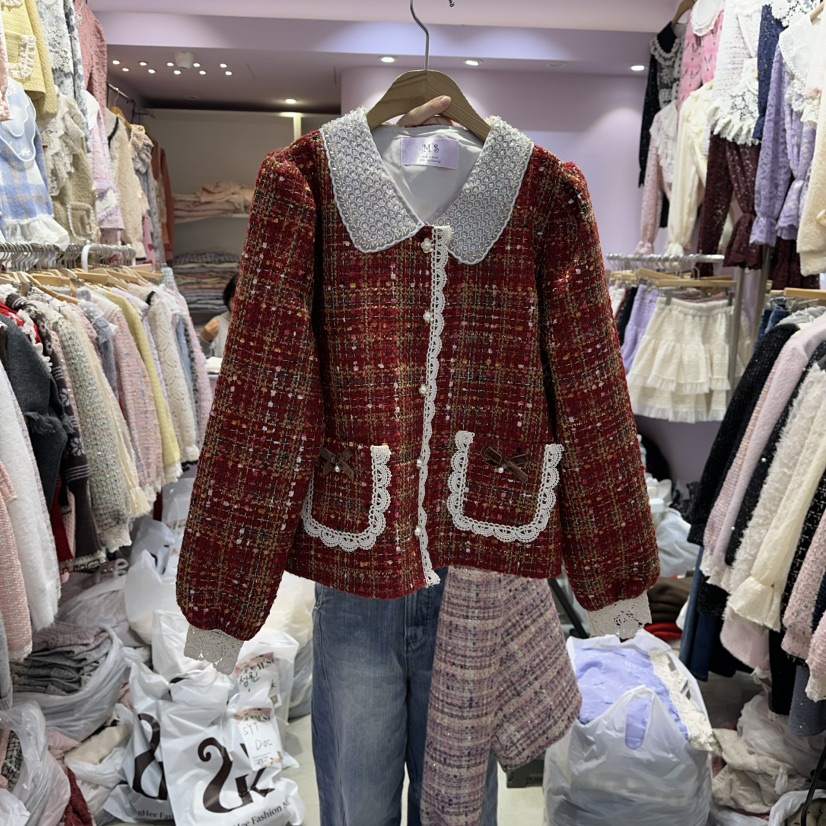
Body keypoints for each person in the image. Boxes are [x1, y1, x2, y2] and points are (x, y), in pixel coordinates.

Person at [199, 274, 237, 357]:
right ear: (228, 299)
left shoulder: (263, 327)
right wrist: (205, 340)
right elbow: (201, 359)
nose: (240, 307)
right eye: (234, 301)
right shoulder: (217, 324)